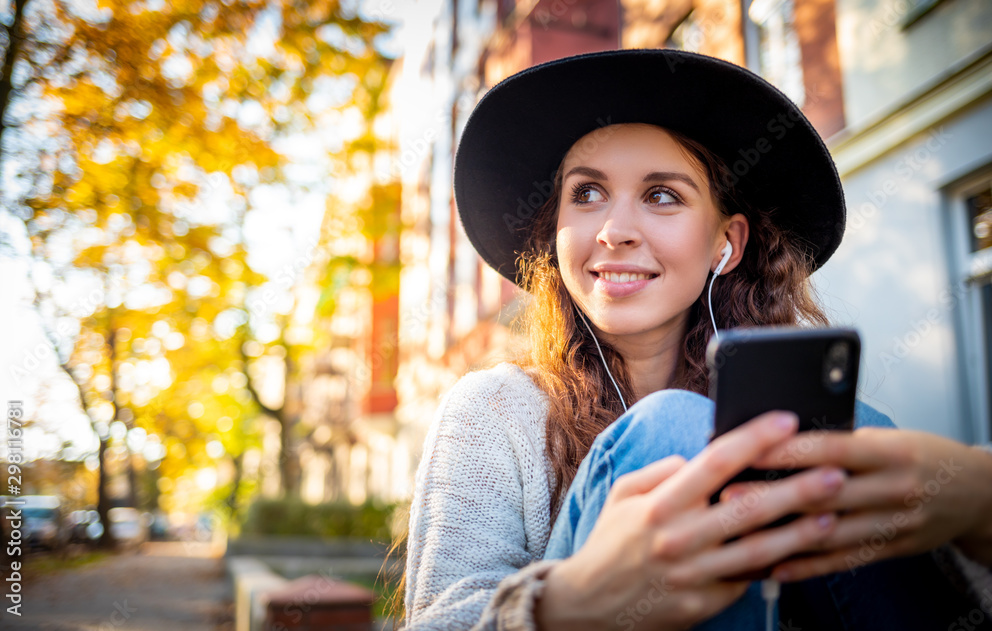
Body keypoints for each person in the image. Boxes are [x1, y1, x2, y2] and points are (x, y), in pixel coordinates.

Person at [400, 49, 992, 630]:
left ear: (726, 244)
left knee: (840, 434)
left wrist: (977, 506)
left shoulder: (818, 419)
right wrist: (567, 607)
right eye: (585, 193)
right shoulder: (495, 412)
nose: (613, 231)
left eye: (662, 195)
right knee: (675, 429)